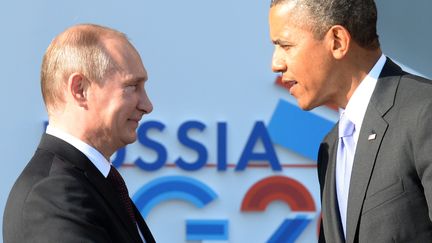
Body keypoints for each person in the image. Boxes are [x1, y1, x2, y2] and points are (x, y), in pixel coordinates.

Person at [269, 0, 432, 242]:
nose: (276, 64)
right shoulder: (331, 146)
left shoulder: (424, 111)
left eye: (286, 45)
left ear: (337, 41)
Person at [3, 24, 156, 243]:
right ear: (80, 89)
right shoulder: (53, 194)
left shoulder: (93, 182)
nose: (147, 105)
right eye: (132, 86)